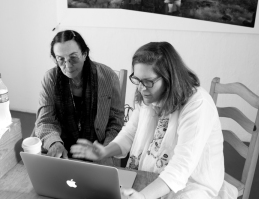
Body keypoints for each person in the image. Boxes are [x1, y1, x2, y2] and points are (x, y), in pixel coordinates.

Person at [70, 42, 238, 198]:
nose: (141, 88)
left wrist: (143, 196)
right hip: (154, 174)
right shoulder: (148, 96)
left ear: (169, 78)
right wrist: (105, 151)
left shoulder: (197, 104)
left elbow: (181, 168)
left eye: (148, 82)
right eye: (137, 80)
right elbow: (130, 132)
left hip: (192, 183)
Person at [34, 30, 124, 165]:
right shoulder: (50, 79)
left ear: (84, 54)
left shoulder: (108, 77)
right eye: (61, 59)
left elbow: (116, 122)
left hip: (98, 149)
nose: (68, 65)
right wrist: (54, 143)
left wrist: (105, 150)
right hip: (63, 149)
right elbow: (45, 121)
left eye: (73, 57)